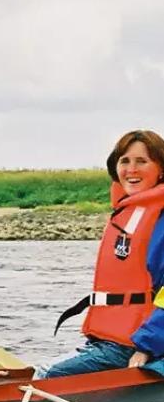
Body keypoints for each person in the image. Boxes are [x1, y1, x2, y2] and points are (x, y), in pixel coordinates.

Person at [38, 130, 164, 379]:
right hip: (111, 340)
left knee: (47, 375)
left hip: (132, 342)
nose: (131, 169)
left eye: (142, 161)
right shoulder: (128, 213)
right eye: (124, 161)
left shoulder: (159, 219)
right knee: (40, 372)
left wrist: (146, 347)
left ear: (161, 168)